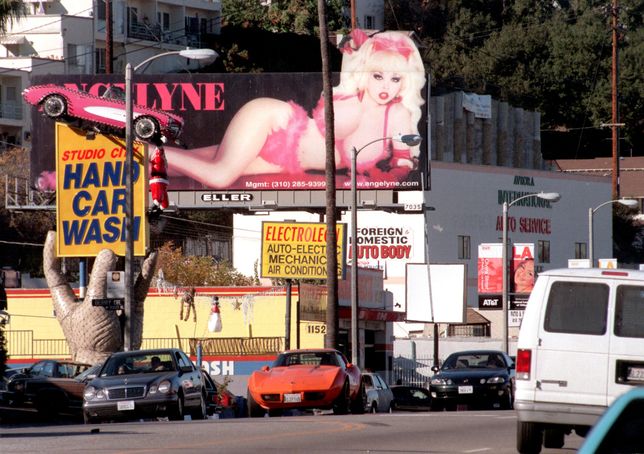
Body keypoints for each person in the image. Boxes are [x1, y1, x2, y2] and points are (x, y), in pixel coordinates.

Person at [164, 29, 426, 188]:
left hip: (283, 163)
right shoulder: (348, 99)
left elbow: (402, 162)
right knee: (219, 176)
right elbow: (329, 126)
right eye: (378, 76)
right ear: (365, 74)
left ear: (405, 82)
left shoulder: (398, 115)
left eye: (395, 78)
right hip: (275, 123)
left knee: (176, 166)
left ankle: (133, 155)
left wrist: (388, 173)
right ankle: (145, 148)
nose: (386, 86)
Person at [149, 138, 169, 216]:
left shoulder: (158, 154)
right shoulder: (158, 154)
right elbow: (160, 148)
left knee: (161, 202)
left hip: (160, 179)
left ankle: (154, 211)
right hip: (159, 179)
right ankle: (154, 211)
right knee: (159, 201)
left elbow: (160, 148)